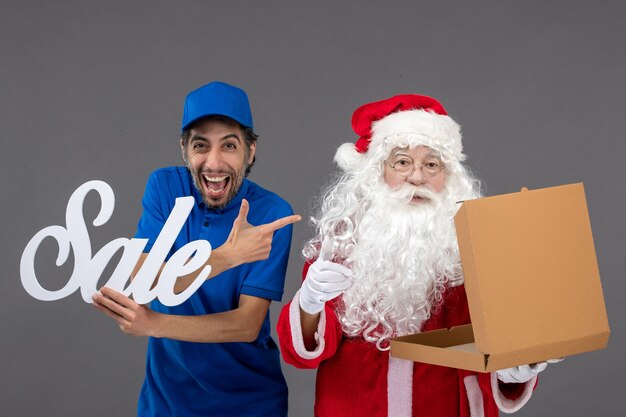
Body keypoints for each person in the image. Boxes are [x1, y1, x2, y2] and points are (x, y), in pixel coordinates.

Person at [277, 94, 559, 417]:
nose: (417, 177)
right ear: (378, 172)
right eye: (402, 162)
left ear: (447, 176)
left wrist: (515, 369)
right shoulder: (342, 243)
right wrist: (309, 303)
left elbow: (499, 347)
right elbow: (303, 355)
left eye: (431, 164)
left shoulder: (478, 247)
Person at [92, 81, 300, 417]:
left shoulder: (272, 214)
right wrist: (225, 257)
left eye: (229, 146)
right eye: (201, 145)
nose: (214, 163)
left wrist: (154, 323)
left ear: (250, 152)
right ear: (184, 149)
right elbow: (146, 279)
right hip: (166, 402)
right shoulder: (164, 188)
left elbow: (246, 325)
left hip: (249, 403)